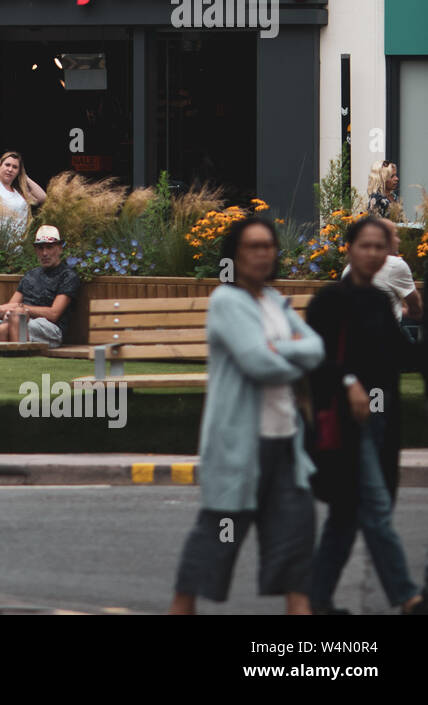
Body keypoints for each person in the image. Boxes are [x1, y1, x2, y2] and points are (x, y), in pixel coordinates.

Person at [169, 217, 325, 615]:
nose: (261, 254)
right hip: (239, 446)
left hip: (286, 444)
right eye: (252, 247)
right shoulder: (226, 302)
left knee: (296, 547)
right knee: (217, 542)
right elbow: (259, 364)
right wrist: (287, 353)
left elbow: (316, 348)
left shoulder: (274, 301)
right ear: (235, 255)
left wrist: (277, 350)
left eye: (267, 246)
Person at [305, 216, 427, 615]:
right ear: (349, 249)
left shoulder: (378, 301)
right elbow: (315, 360)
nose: (373, 253)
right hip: (346, 421)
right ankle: (408, 598)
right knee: (374, 508)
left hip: (381, 418)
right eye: (365, 245)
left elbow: (402, 356)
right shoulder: (329, 301)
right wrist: (347, 381)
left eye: (380, 247)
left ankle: (316, 599)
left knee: (346, 514)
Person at [0, 225, 80, 347]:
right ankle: (6, 365)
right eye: (40, 248)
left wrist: (22, 308)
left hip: (51, 329)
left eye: (49, 247)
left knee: (17, 316)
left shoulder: (68, 276)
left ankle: (20, 361)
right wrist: (4, 310)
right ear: (36, 250)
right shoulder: (30, 275)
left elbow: (54, 314)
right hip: (22, 320)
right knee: (3, 327)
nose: (44, 253)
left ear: (60, 248)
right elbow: (11, 305)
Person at [339, 217, 422, 325]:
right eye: (395, 235)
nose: (399, 240)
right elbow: (416, 309)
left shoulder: (348, 268)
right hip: (386, 334)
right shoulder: (395, 265)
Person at [0, 151, 45, 230]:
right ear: (0, 166)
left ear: (19, 171)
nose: (10, 169)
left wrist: (25, 177)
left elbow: (42, 197)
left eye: (15, 167)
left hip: (20, 241)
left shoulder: (18, 191)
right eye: (7, 165)